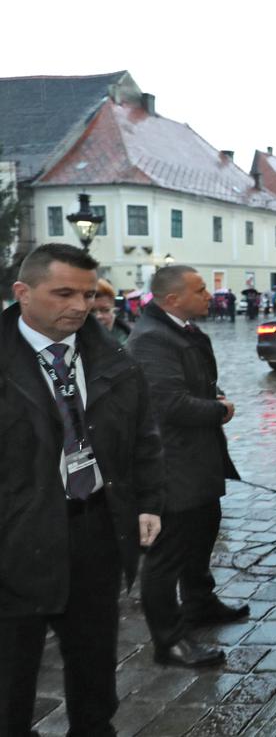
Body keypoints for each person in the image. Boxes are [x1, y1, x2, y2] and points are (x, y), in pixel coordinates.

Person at [0, 243, 164, 735]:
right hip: (14, 542)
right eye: (63, 293)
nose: (80, 305)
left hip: (94, 532)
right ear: (23, 293)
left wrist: (148, 502)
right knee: (11, 682)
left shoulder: (113, 355)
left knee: (94, 669)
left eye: (89, 294)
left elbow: (143, 437)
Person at [126, 265, 245, 668]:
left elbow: (192, 385)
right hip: (172, 463)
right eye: (199, 290)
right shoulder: (151, 340)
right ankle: (169, 641)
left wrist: (215, 397)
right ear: (173, 299)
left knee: (202, 534)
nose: (210, 295)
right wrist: (220, 409)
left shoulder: (180, 330)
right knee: (167, 554)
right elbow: (168, 404)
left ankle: (200, 603)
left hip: (199, 459)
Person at [92, 277, 131, 345]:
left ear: (113, 311)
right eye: (91, 311)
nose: (99, 316)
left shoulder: (129, 343)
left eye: (105, 310)